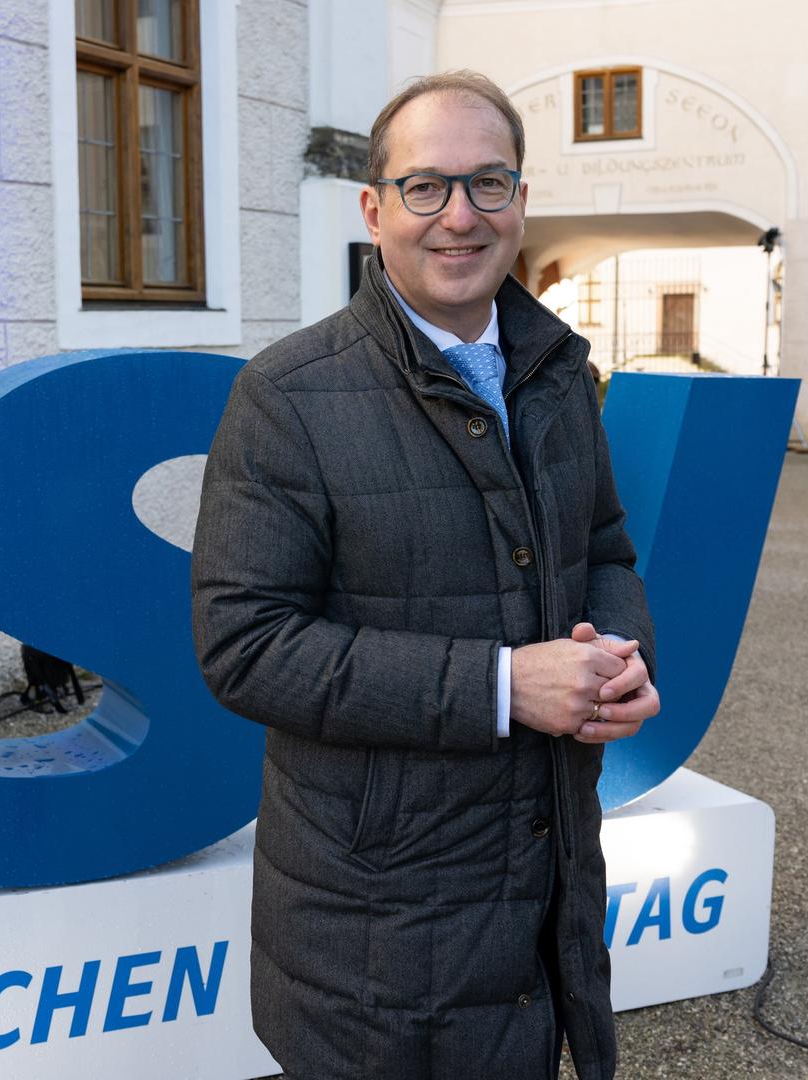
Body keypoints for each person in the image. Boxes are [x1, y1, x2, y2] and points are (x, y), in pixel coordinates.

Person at [190, 70, 659, 1080]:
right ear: (374, 208)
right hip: (378, 931)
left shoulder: (560, 374)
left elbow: (607, 550)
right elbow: (244, 647)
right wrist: (502, 686)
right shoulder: (287, 396)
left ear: (522, 201)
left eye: (489, 184)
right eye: (425, 187)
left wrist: (619, 657)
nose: (460, 216)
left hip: (545, 880)